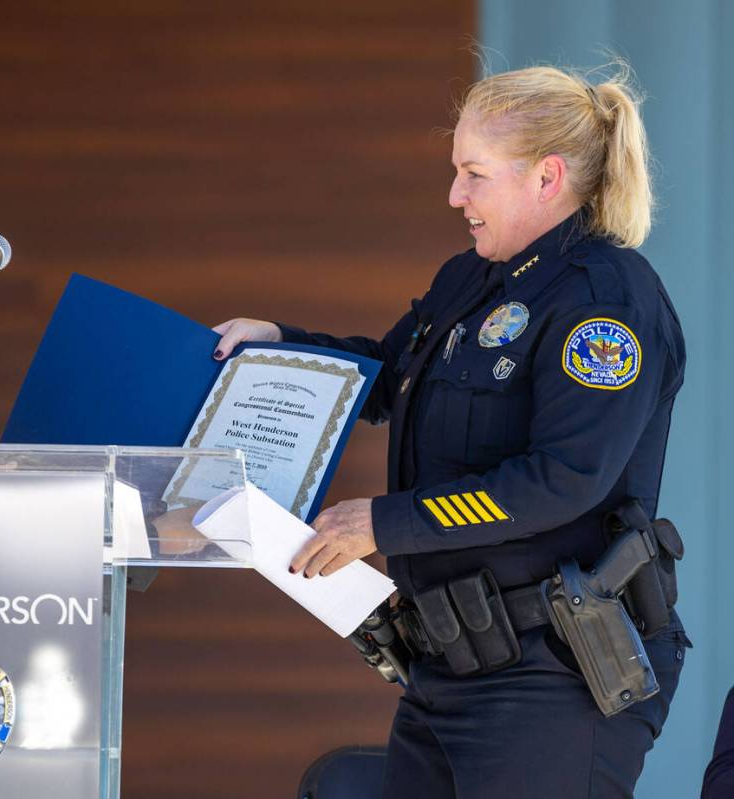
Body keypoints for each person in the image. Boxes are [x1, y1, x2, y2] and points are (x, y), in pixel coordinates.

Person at [214, 64, 689, 798]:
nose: (455, 195)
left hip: (552, 676)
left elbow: (562, 479)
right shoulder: (472, 278)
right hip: (451, 664)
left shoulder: (607, 304)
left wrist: (384, 523)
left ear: (546, 178)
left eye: (474, 174)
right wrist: (280, 342)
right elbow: (386, 374)